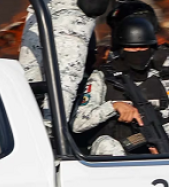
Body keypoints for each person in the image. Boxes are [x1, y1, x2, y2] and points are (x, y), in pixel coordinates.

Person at [72, 16, 169, 156]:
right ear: (120, 49)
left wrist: (160, 143)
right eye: (131, 47)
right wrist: (113, 107)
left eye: (143, 47)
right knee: (107, 145)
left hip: (155, 149)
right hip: (115, 152)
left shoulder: (162, 79)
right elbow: (78, 123)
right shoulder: (102, 77)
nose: (138, 52)